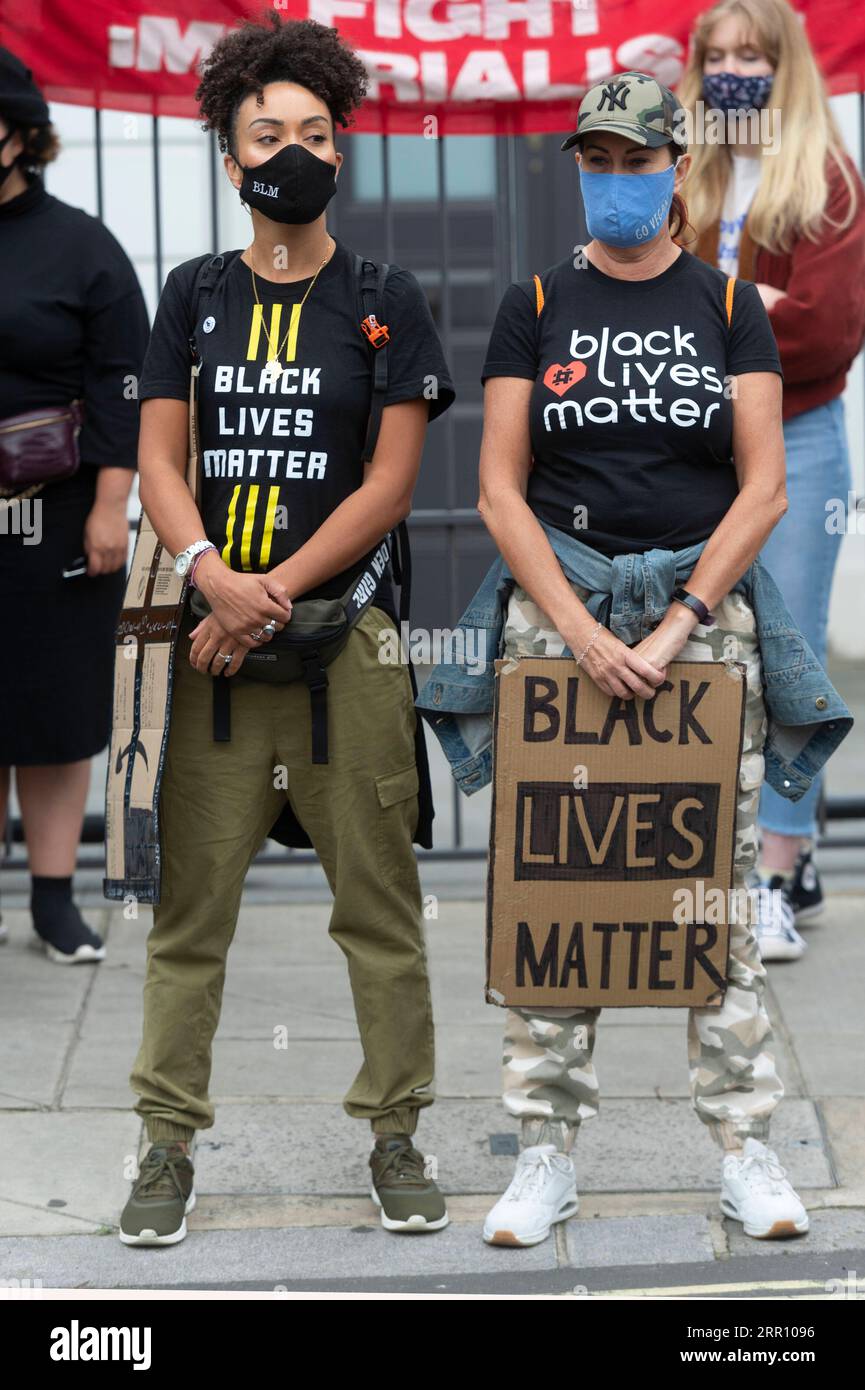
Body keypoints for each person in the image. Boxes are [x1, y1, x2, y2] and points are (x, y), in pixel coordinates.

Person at [439, 71, 845, 1249]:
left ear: (676, 171)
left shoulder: (727, 304)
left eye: (635, 161)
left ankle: (744, 1146)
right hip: (558, 621)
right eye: (596, 161)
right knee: (552, 886)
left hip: (696, 628)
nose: (614, 181)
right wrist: (574, 623)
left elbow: (764, 484)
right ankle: (544, 1154)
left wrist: (674, 621)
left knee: (707, 890)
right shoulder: (533, 302)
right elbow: (497, 488)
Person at [118, 13, 455, 1246]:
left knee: (382, 908)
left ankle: (396, 1130)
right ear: (229, 152)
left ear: (343, 151)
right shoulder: (190, 295)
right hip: (212, 660)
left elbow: (387, 484)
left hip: (341, 655)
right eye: (269, 133)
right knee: (185, 921)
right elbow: (159, 458)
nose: (294, 153)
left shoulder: (383, 297)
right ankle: (163, 1144)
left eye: (317, 132)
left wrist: (261, 600)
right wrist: (212, 572)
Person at [679, 0, 865, 956]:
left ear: (783, 62)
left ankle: (773, 871)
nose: (734, 69)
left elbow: (829, 328)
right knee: (713, 648)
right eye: (718, 55)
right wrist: (749, 304)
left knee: (785, 650)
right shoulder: (686, 166)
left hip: (798, 434)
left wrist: (725, 317)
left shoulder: (825, 174)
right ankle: (767, 855)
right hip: (699, 444)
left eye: (752, 53)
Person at [0, 47, 148, 962]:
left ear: (20, 135)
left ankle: (53, 902)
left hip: (55, 511)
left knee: (54, 715)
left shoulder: (81, 245)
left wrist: (110, 507)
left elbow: (125, 382)